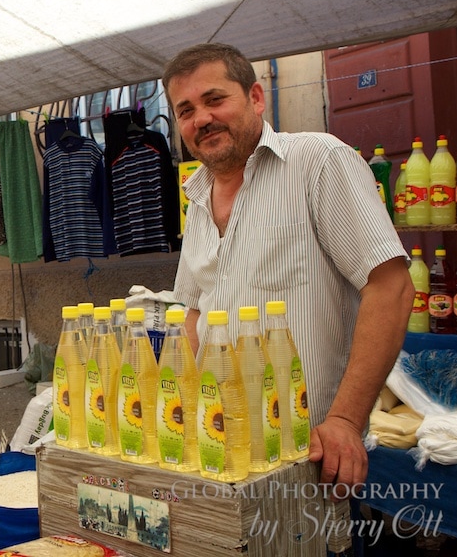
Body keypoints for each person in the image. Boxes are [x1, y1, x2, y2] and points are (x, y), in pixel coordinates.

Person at [162, 43, 414, 492]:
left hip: (312, 455)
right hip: (225, 454)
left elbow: (390, 286)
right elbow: (195, 313)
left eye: (215, 99)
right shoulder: (196, 197)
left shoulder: (318, 161)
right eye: (186, 110)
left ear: (256, 98)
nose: (201, 119)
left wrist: (343, 420)